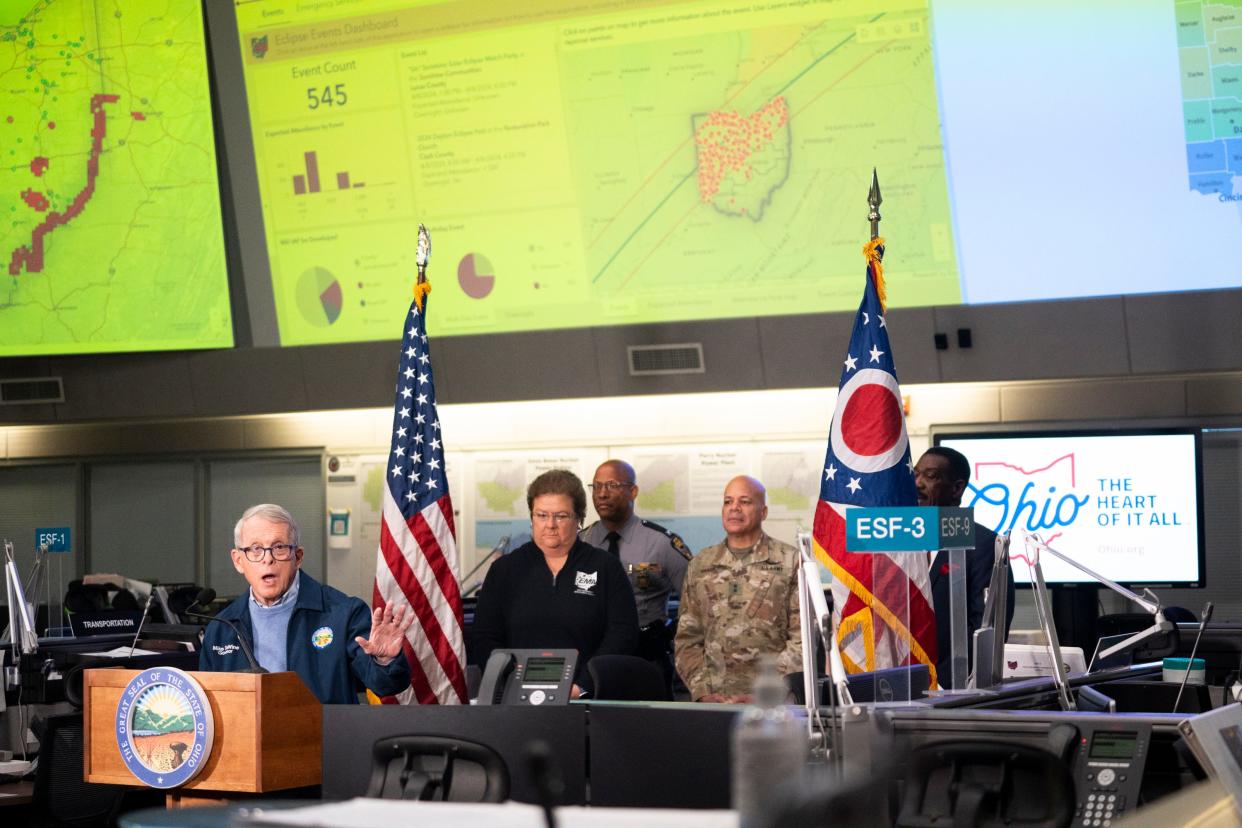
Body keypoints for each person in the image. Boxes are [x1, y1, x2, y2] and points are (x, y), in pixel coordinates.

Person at [199, 503, 413, 705]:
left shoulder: (344, 613)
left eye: (279, 547)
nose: (267, 559)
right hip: (248, 742)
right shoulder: (222, 627)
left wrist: (384, 661)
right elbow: (211, 708)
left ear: (298, 557)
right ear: (238, 561)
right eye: (255, 549)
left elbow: (385, 685)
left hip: (325, 740)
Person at [472, 469, 639, 698]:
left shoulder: (605, 566)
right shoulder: (505, 570)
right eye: (541, 515)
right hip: (515, 699)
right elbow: (485, 637)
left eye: (561, 516)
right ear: (531, 517)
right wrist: (513, 683)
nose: (550, 524)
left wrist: (582, 686)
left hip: (587, 700)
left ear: (578, 518)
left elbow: (622, 634)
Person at [674, 475, 801, 702]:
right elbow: (687, 640)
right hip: (714, 703)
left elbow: (802, 640)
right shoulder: (701, 564)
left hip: (774, 704)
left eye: (745, 501)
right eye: (728, 501)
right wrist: (703, 692)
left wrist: (766, 692)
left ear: (763, 512)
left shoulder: (790, 560)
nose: (734, 508)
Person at [580, 459, 691, 687]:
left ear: (633, 491)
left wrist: (673, 638)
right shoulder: (582, 542)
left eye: (611, 485)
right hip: (592, 659)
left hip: (646, 657)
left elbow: (697, 603)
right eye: (597, 486)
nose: (602, 494)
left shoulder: (661, 543)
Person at [914, 446, 1017, 689]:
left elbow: (986, 630)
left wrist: (939, 684)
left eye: (929, 476)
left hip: (953, 692)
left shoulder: (984, 545)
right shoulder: (898, 545)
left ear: (956, 488)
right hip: (901, 687)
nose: (917, 483)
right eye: (915, 474)